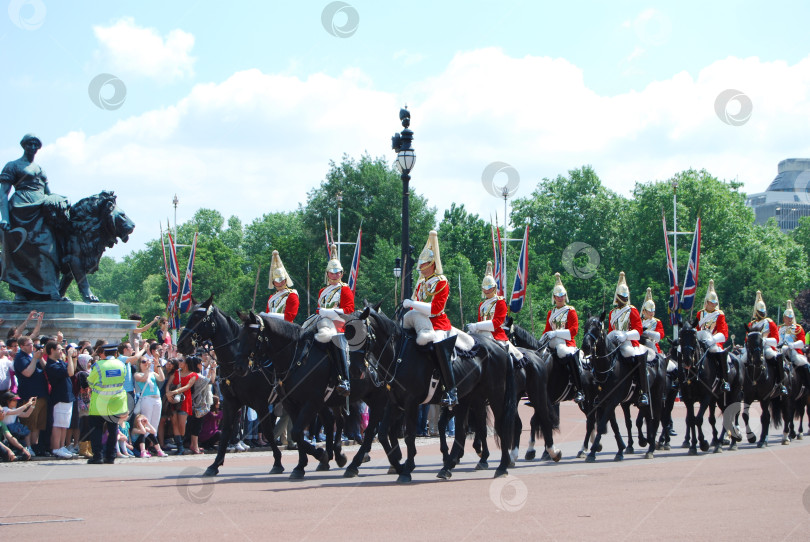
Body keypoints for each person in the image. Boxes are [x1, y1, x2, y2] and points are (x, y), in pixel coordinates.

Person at [0, 134, 71, 301]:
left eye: (36, 144)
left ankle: (52, 289)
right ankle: (21, 291)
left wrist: (61, 200)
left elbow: (49, 192)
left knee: (48, 246)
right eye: (29, 144)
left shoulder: (40, 169)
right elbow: (3, 194)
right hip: (19, 212)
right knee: (20, 251)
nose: (32, 147)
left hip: (40, 210)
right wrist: (5, 217)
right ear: (23, 146)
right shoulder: (13, 165)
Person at [402, 230, 458, 407]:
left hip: (438, 324)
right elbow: (415, 306)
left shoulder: (441, 281)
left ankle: (451, 390)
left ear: (432, 264)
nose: (421, 268)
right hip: (419, 323)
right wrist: (411, 305)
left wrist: (412, 303)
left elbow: (435, 309)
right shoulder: (420, 283)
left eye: (424, 264)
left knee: (440, 348)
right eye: (421, 265)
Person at [607, 272, 649, 406]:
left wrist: (626, 335)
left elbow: (638, 330)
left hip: (629, 342)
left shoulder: (632, 310)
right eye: (621, 296)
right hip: (615, 343)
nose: (623, 298)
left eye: (625, 296)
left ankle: (643, 391)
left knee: (636, 357)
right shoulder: (612, 313)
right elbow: (610, 330)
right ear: (616, 297)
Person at [317, 243, 353, 396]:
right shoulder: (322, 291)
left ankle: (345, 379)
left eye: (337, 272)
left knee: (337, 340)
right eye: (332, 272)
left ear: (342, 273)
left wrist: (330, 312)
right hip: (322, 322)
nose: (334, 275)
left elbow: (349, 310)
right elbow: (318, 309)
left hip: (338, 325)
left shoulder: (344, 289)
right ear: (327, 274)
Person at [542, 273, 584, 403]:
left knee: (568, 355)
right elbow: (547, 330)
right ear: (554, 297)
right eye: (558, 296)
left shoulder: (570, 311)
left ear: (565, 296)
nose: (560, 298)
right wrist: (543, 338)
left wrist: (556, 333)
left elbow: (573, 331)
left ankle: (579, 388)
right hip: (552, 342)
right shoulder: (551, 312)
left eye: (562, 296)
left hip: (566, 343)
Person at [86, 343, 129, 464]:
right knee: (113, 430)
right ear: (116, 353)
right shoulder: (121, 364)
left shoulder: (98, 365)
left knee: (96, 430)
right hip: (116, 403)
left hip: (99, 403)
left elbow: (90, 381)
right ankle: (111, 456)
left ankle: (98, 456)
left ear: (104, 353)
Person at [743, 291, 786, 395]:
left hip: (766, 347)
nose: (762, 313)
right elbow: (746, 339)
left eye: (763, 311)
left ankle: (781, 384)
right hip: (754, 348)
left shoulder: (769, 322)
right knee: (742, 359)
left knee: (776, 357)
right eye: (760, 312)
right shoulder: (751, 324)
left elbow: (776, 340)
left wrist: (764, 340)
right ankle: (742, 384)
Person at [13, 336, 48, 455]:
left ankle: (35, 445)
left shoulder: (33, 356)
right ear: (22, 346)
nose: (32, 346)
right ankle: (28, 446)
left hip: (41, 394)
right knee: (29, 423)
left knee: (38, 423)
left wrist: (40, 357)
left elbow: (46, 368)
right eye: (29, 344)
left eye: (32, 343)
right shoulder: (20, 357)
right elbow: (27, 373)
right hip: (29, 395)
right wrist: (34, 359)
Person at [695, 280, 731, 391]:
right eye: (711, 302)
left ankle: (725, 380)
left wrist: (711, 340)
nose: (714, 304)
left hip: (714, 341)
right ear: (707, 302)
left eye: (715, 303)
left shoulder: (719, 315)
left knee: (718, 352)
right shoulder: (700, 313)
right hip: (701, 340)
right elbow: (697, 328)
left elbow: (723, 332)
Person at [44, 340, 76, 458]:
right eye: (58, 349)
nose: (61, 351)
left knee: (64, 425)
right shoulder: (51, 365)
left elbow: (73, 368)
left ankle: (61, 446)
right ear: (51, 350)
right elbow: (71, 372)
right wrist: (68, 355)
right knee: (58, 424)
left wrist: (73, 357)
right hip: (59, 397)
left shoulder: (60, 362)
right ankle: (56, 447)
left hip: (67, 396)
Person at [466, 261, 509, 343]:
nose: (487, 291)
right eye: (485, 288)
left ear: (494, 288)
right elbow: (480, 320)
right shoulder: (482, 305)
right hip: (482, 333)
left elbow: (497, 322)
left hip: (496, 335)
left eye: (489, 288)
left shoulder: (500, 302)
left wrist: (476, 326)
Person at [133, 353, 166, 456]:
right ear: (139, 364)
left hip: (156, 398)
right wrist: (147, 369)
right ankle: (144, 448)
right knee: (145, 423)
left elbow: (161, 378)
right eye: (143, 361)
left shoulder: (151, 372)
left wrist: (158, 365)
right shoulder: (138, 374)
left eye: (147, 361)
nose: (146, 363)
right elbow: (143, 379)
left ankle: (151, 446)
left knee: (154, 425)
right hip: (146, 399)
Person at [166, 356, 198, 455]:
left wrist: (173, 392)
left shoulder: (193, 374)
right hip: (173, 399)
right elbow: (168, 384)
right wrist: (168, 393)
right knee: (174, 423)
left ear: (187, 363)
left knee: (181, 425)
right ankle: (180, 447)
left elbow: (187, 386)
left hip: (184, 400)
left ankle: (182, 442)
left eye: (181, 361)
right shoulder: (176, 372)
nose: (179, 362)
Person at [778, 300, 810, 391]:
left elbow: (802, 343)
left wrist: (792, 345)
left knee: (805, 364)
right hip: (780, 350)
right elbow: (777, 339)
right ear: (784, 318)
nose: (790, 319)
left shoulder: (798, 328)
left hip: (793, 351)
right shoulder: (779, 328)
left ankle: (808, 386)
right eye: (788, 318)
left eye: (791, 318)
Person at [264, 250, 300, 322]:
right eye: (277, 281)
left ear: (286, 280)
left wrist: (269, 316)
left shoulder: (292, 295)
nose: (280, 283)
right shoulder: (272, 297)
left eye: (282, 280)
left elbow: (289, 317)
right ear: (273, 282)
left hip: (285, 328)